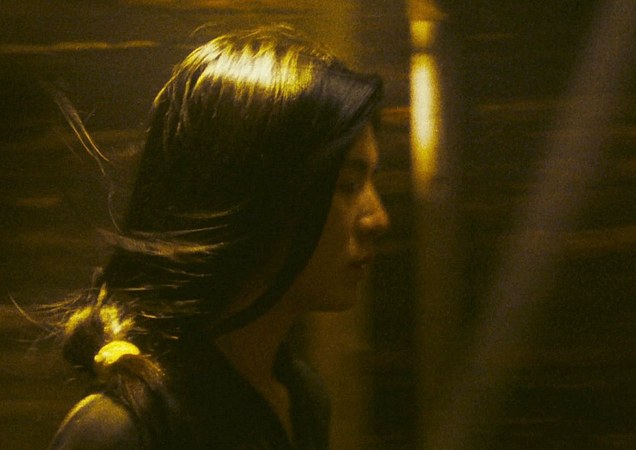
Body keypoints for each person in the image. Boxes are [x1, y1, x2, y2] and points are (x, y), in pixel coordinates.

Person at [46, 25, 389, 450]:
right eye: (347, 185)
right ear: (254, 196)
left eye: (371, 181)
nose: (378, 219)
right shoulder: (122, 432)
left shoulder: (301, 398)